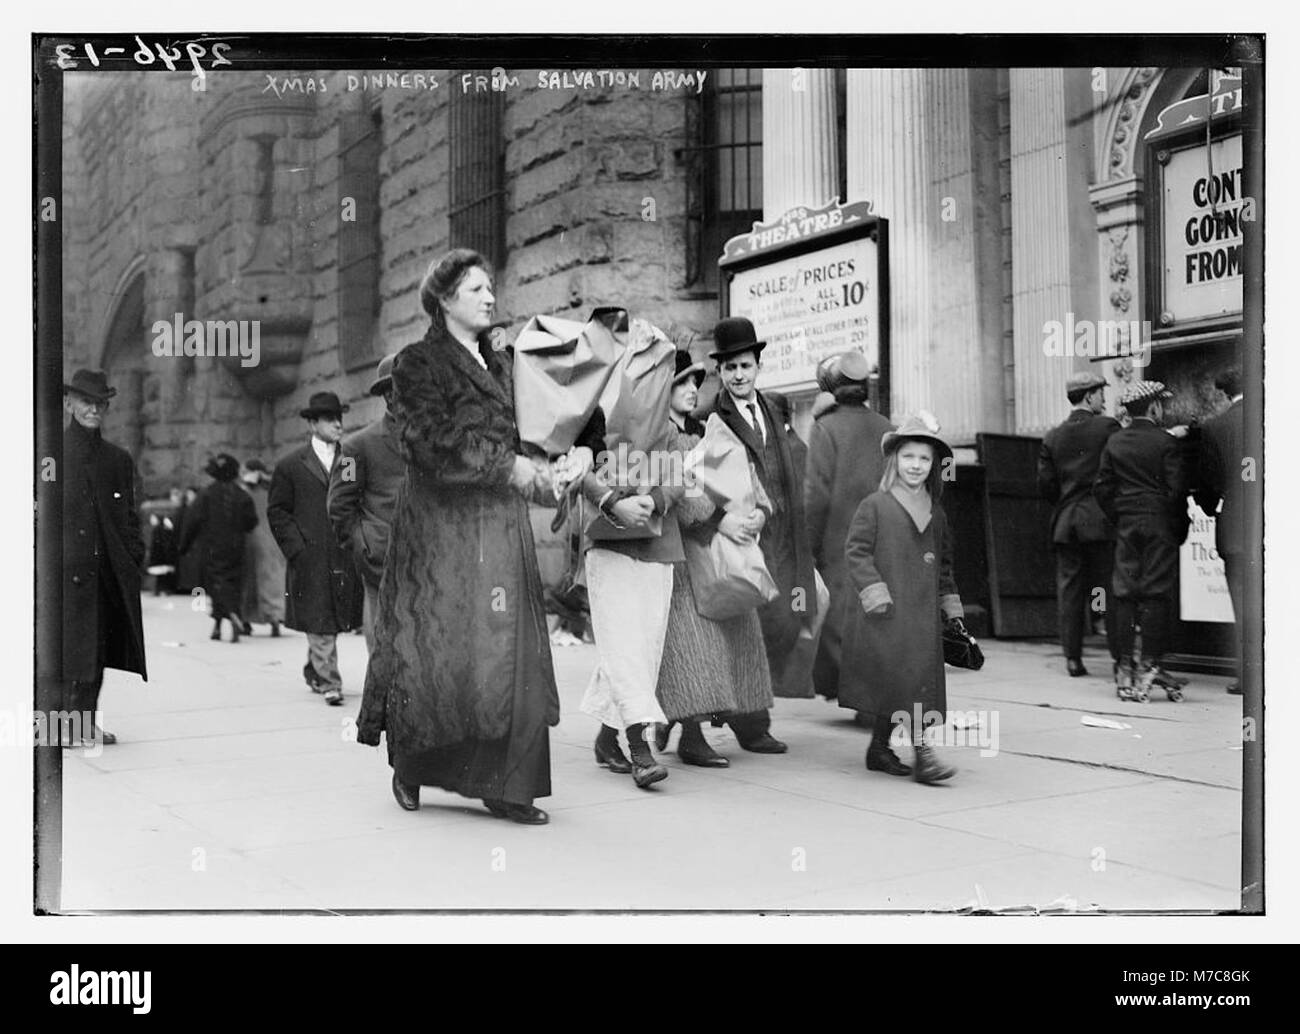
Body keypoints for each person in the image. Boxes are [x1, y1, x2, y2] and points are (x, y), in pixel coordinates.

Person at [356, 248, 571, 825]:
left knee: (508, 654)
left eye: (490, 287)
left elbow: (525, 437)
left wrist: (550, 470)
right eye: (476, 289)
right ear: (445, 300)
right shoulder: (416, 365)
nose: (489, 297)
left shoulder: (502, 365)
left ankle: (507, 784)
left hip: (501, 528)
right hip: (441, 534)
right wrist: (508, 468)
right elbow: (428, 443)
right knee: (439, 654)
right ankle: (412, 766)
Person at [653, 350, 775, 769]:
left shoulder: (708, 430)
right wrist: (720, 520)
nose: (692, 390)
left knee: (734, 630)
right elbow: (678, 489)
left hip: (723, 549)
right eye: (681, 383)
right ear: (661, 389)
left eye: (695, 383)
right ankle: (690, 732)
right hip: (683, 552)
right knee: (693, 643)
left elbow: (744, 474)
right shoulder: (660, 437)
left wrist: (759, 510)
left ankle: (731, 718)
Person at [707, 316, 817, 753]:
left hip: (783, 539)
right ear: (719, 371)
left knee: (786, 623)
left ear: (758, 366)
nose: (738, 375)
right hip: (740, 540)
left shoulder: (771, 409)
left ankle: (738, 711)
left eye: (745, 366)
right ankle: (751, 724)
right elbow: (698, 478)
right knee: (746, 630)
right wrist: (726, 518)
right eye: (730, 367)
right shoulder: (711, 416)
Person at [839, 414, 967, 784]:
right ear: (895, 460)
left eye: (924, 459)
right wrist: (875, 592)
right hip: (887, 613)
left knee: (904, 682)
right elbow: (856, 552)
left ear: (933, 466)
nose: (916, 465)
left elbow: (944, 566)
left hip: (922, 617)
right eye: (908, 456)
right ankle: (924, 756)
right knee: (906, 681)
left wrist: (951, 607)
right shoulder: (875, 505)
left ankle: (879, 748)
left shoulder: (937, 513)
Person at [61, 369, 147, 746]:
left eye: (100, 404)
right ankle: (63, 725)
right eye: (85, 402)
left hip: (106, 572)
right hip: (63, 574)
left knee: (97, 651)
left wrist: (133, 558)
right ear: (68, 403)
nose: (93, 410)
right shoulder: (50, 455)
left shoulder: (117, 459)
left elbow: (129, 515)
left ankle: (85, 722)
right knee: (65, 653)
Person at [802, 350, 894, 701]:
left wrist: (809, 548)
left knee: (840, 620)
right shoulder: (887, 428)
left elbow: (815, 496)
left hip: (838, 540)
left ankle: (864, 698)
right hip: (882, 537)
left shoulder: (825, 428)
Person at [267, 391, 364, 706]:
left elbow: (357, 499)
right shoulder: (290, 465)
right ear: (312, 423)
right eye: (329, 419)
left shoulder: (349, 458)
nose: (338, 424)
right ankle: (329, 681)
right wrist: (297, 548)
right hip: (309, 555)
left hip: (343, 552)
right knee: (320, 615)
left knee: (332, 617)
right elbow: (278, 511)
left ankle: (315, 668)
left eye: (339, 417)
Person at [1094, 381, 1188, 702]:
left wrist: (1120, 515)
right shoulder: (1166, 442)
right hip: (1159, 524)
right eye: (1160, 404)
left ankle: (1123, 666)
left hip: (1127, 524)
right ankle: (1150, 663)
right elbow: (1177, 493)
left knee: (1123, 592)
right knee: (1156, 592)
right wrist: (1175, 525)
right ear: (1153, 407)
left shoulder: (1115, 442)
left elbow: (1102, 488)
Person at [1037, 370, 1121, 677]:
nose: (1104, 398)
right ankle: (1119, 659)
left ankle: (1073, 659)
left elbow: (1046, 486)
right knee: (1109, 590)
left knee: (1070, 593)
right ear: (1089, 396)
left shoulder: (1052, 436)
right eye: (1101, 393)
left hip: (1066, 524)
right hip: (1100, 522)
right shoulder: (1107, 427)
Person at [328, 352, 406, 652]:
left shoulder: (434, 440)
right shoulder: (357, 446)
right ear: (387, 395)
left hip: (431, 556)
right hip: (381, 556)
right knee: (382, 636)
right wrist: (363, 544)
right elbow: (339, 506)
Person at [1194, 367, 1246, 695]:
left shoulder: (1215, 427)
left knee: (1242, 606)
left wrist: (1211, 507)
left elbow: (1209, 484)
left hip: (1237, 530)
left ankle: (1248, 677)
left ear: (1225, 394)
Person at [180, 453, 258, 643]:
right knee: (233, 583)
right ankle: (230, 617)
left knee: (216, 584)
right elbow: (251, 522)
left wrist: (183, 546)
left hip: (212, 547)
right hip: (236, 547)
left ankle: (224, 618)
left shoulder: (205, 494)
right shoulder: (242, 496)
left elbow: (192, 521)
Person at [238, 459, 285, 636]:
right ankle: (274, 618)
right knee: (271, 580)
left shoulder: (244, 491)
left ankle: (246, 619)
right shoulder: (272, 489)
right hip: (272, 539)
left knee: (249, 582)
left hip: (250, 539)